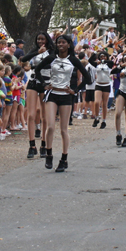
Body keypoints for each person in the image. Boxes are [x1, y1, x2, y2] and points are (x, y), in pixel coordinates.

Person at [34, 34, 91, 172]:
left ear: (69, 44)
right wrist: (44, 84)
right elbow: (37, 69)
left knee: (63, 129)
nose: (60, 45)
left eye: (63, 42)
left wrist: (75, 90)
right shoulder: (52, 57)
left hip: (66, 96)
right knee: (50, 126)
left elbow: (87, 77)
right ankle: (48, 154)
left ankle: (64, 158)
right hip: (52, 93)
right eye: (58, 42)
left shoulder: (73, 60)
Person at [21, 33, 54, 158]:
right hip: (33, 82)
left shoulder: (52, 51)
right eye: (38, 39)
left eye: (42, 39)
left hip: (46, 83)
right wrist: (37, 52)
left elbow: (51, 63)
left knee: (44, 116)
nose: (40, 41)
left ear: (47, 40)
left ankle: (43, 144)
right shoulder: (35, 50)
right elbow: (24, 59)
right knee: (31, 115)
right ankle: (32, 145)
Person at [90, 51, 113, 129]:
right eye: (101, 57)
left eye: (104, 56)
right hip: (98, 84)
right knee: (97, 102)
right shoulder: (97, 64)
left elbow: (111, 62)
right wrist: (95, 53)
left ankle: (104, 120)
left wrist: (103, 61)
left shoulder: (109, 64)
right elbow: (90, 60)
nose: (102, 58)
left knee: (104, 104)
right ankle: (96, 117)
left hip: (106, 84)